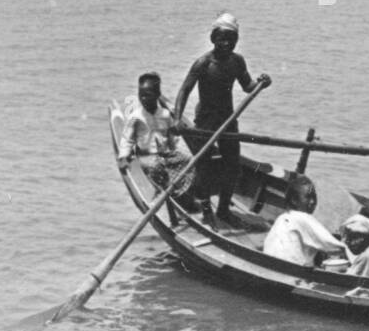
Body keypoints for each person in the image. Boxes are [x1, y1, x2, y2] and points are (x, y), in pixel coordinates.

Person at [175, 14, 270, 225]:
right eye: (222, 38)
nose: (227, 43)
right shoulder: (203, 63)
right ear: (213, 38)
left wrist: (261, 83)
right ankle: (207, 208)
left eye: (232, 39)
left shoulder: (237, 62)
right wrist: (177, 118)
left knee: (232, 165)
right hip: (206, 122)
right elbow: (184, 91)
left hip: (228, 120)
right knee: (204, 166)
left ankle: (224, 210)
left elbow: (248, 86)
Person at [117, 71, 193, 201]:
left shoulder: (164, 114)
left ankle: (179, 191)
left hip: (164, 154)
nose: (144, 99)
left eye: (148, 95)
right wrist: (124, 157)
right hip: (147, 155)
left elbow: (172, 137)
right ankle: (162, 188)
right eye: (141, 96)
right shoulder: (136, 117)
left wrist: (176, 150)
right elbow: (127, 140)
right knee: (155, 166)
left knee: (188, 160)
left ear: (157, 95)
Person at [263, 175, 346, 268]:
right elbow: (336, 247)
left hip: (268, 264)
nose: (312, 202)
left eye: (314, 197)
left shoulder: (282, 218)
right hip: (291, 270)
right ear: (294, 200)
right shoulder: (304, 218)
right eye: (308, 197)